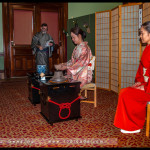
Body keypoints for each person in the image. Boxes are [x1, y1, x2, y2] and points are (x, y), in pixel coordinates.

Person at [114, 21, 150, 134]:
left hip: (149, 88)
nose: (140, 36)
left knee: (125, 93)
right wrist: (140, 82)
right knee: (125, 92)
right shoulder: (147, 48)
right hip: (146, 85)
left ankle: (135, 125)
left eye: (142, 33)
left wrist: (145, 88)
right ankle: (129, 123)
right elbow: (142, 70)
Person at [54, 27, 94, 99]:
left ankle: (75, 94)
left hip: (84, 73)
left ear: (79, 36)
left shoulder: (85, 48)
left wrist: (66, 67)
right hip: (78, 71)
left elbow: (80, 63)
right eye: (72, 37)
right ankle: (75, 94)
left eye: (73, 37)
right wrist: (64, 64)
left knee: (67, 81)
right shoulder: (76, 48)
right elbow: (72, 61)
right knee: (63, 79)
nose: (72, 39)